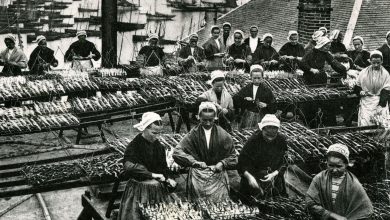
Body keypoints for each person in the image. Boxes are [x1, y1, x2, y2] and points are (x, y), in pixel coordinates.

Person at [173, 102, 237, 202]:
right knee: (198, 204)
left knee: (219, 204)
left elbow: (233, 157)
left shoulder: (223, 135)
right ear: (198, 117)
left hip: (217, 174)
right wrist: (194, 162)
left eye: (210, 120)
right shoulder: (193, 134)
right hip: (198, 174)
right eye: (204, 120)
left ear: (215, 118)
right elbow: (177, 152)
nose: (207, 123)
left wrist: (222, 163)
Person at [118, 112, 177, 220]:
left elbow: (163, 167)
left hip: (156, 189)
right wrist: (152, 174)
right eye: (154, 133)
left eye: (159, 133)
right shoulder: (135, 145)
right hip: (138, 189)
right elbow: (129, 167)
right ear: (145, 128)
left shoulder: (158, 147)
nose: (157, 136)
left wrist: (169, 178)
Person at [306, 144, 373, 220]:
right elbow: (310, 203)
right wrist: (331, 215)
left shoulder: (353, 183)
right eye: (330, 165)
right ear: (326, 162)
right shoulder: (319, 179)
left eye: (339, 166)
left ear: (346, 164)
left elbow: (365, 210)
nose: (334, 170)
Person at [237, 114, 287, 204]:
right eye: (267, 135)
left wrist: (274, 174)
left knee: (275, 205)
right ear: (262, 129)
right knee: (250, 204)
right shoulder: (253, 141)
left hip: (273, 178)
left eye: (273, 135)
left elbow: (285, 161)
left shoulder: (281, 140)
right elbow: (241, 162)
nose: (270, 138)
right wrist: (250, 178)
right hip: (254, 177)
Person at [354, 50, 390, 126]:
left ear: (382, 61)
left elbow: (386, 90)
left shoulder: (385, 74)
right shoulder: (363, 72)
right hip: (366, 101)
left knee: (380, 124)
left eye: (378, 63)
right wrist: (360, 91)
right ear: (370, 61)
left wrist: (381, 105)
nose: (376, 65)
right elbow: (357, 86)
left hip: (379, 101)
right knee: (366, 124)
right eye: (373, 63)